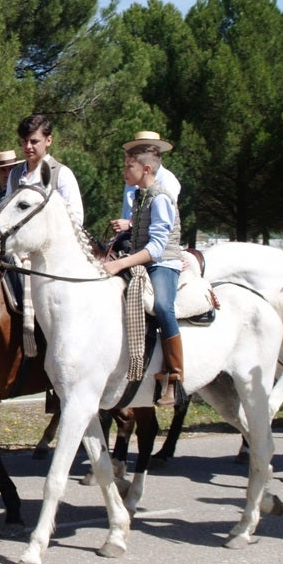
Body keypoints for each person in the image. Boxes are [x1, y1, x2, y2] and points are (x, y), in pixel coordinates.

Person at [103, 142, 184, 406]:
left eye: (129, 166)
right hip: (141, 260)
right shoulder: (140, 195)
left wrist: (120, 264)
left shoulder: (160, 197)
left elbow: (158, 248)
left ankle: (174, 376)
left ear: (146, 168)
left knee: (162, 306)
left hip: (163, 264)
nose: (124, 171)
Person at [6, 113, 84, 226]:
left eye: (34, 141)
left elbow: (76, 219)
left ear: (48, 140)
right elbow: (7, 213)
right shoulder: (14, 174)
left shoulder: (62, 174)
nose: (28, 146)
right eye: (24, 141)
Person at [109, 131, 181, 234]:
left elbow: (164, 221)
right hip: (131, 237)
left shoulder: (167, 180)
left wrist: (130, 224)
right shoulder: (132, 179)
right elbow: (127, 211)